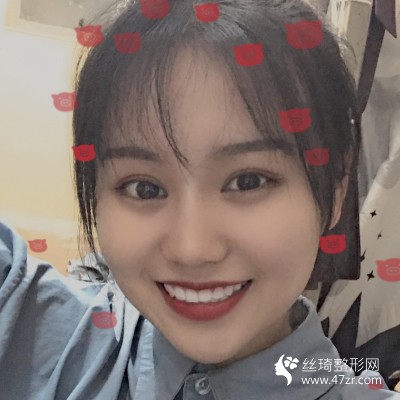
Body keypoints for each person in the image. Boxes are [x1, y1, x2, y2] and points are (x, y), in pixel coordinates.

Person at [0, 0, 399, 399]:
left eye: (247, 182)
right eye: (144, 188)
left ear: (335, 187)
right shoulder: (29, 325)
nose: (191, 250)